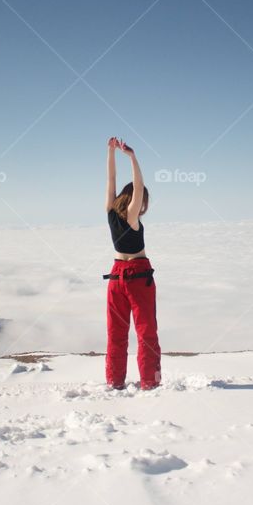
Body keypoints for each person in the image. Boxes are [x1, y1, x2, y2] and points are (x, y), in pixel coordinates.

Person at [103, 136, 161, 390]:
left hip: (116, 277)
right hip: (138, 276)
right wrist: (132, 157)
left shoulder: (110, 212)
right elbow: (138, 186)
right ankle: (150, 382)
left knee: (116, 334)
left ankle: (114, 382)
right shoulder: (131, 217)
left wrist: (110, 152)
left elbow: (111, 180)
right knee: (146, 333)